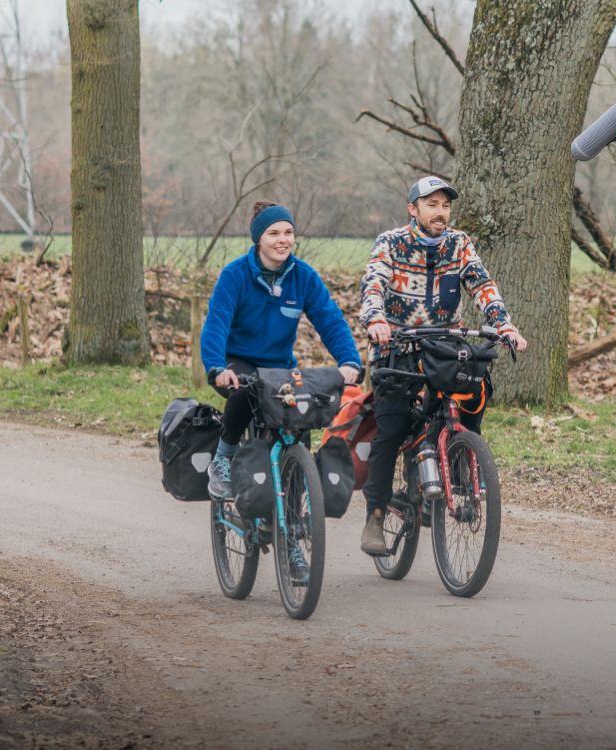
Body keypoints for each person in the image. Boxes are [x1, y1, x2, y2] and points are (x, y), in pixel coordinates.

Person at [357, 176, 527, 556]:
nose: (440, 212)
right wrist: (376, 320)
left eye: (445, 205)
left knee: (472, 395)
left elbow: (482, 284)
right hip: (396, 346)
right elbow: (373, 284)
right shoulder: (392, 242)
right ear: (412, 209)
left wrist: (504, 325)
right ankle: (376, 515)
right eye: (431, 204)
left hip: (442, 346)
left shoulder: (458, 243)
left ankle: (460, 471)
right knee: (392, 429)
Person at [201, 201, 362, 501]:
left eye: (288, 232)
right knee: (243, 389)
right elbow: (216, 325)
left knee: (300, 415)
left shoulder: (304, 276)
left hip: (280, 367)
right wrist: (216, 367)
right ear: (258, 239)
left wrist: (349, 360)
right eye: (273, 233)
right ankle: (223, 458)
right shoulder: (234, 275)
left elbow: (330, 320)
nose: (283, 239)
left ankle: (294, 518)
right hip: (239, 361)